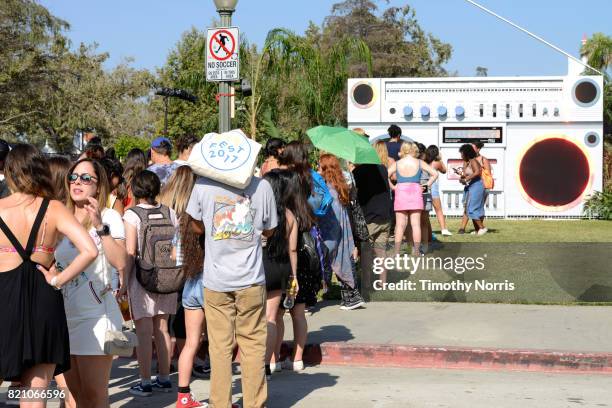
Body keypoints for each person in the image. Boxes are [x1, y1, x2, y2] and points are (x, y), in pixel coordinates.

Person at [0, 144, 98, 408]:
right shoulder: (54, 208)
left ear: (9, 172)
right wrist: (58, 279)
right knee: (35, 394)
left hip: (4, 299)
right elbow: (89, 250)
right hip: (44, 299)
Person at [187, 164, 277, 408]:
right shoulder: (262, 186)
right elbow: (270, 228)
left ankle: (220, 403)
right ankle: (255, 403)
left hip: (216, 280)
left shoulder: (203, 186)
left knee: (219, 348)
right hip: (250, 279)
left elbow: (195, 224)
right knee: (253, 347)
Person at [54, 158, 128, 408]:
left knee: (94, 395)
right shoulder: (60, 216)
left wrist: (99, 226)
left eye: (86, 178)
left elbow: (121, 262)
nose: (78, 182)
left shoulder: (110, 217)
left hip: (97, 317)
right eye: (73, 177)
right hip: (63, 317)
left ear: (98, 186)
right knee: (74, 396)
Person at [124, 170, 178, 396]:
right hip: (168, 277)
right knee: (163, 328)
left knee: (144, 331)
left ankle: (145, 381)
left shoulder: (131, 215)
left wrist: (124, 281)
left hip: (142, 278)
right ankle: (164, 378)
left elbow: (129, 251)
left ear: (136, 190)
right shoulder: (170, 212)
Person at [159, 166, 207, 408]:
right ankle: (221, 396)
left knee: (189, 342)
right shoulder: (205, 217)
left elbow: (175, 257)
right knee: (219, 342)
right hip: (211, 281)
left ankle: (183, 396)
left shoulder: (178, 217)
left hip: (189, 283)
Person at [272, 171, 320, 374]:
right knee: (298, 314)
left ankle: (275, 356)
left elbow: (288, 246)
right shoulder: (305, 208)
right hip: (304, 265)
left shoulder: (283, 212)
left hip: (287, 264)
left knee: (278, 314)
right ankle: (297, 358)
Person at [261, 170, 299, 378]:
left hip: (259, 264)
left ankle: (256, 362)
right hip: (281, 267)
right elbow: (292, 249)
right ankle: (267, 364)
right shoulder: (290, 214)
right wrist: (294, 276)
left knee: (254, 318)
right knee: (271, 317)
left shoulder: (260, 211)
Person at [318, 154, 365, 310]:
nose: (318, 169)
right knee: (344, 259)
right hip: (344, 231)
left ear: (326, 169)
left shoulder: (328, 190)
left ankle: (351, 297)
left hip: (332, 231)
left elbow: (330, 214)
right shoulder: (341, 185)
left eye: (320, 166)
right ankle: (351, 297)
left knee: (337, 260)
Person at [389, 142, 438, 256]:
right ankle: (416, 251)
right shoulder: (419, 162)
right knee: (416, 224)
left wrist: (393, 187)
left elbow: (386, 174)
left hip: (401, 192)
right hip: (416, 191)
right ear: (414, 150)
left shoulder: (397, 163)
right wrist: (426, 186)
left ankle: (396, 252)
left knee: (400, 225)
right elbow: (435, 174)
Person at [352, 148, 393, 283]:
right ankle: (383, 282)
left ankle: (367, 283)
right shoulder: (382, 168)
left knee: (366, 252)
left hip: (369, 218)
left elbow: (353, 194)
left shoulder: (358, 172)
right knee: (381, 252)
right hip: (385, 216)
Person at [457, 144, 487, 235]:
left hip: (477, 186)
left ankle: (482, 228)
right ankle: (478, 229)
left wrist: (466, 179)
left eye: (462, 153)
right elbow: (466, 174)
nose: (461, 155)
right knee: (470, 207)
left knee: (472, 208)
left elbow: (477, 172)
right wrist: (462, 176)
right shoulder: (467, 162)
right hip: (470, 187)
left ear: (466, 153)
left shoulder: (473, 161)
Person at [426, 145, 452, 236]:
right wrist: (440, 159)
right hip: (433, 185)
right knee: (439, 209)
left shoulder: (424, 161)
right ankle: (443, 229)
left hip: (423, 185)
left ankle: (427, 231)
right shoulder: (437, 162)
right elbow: (444, 170)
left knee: (425, 211)